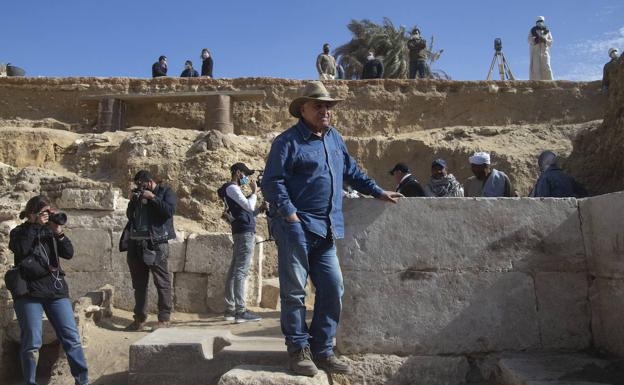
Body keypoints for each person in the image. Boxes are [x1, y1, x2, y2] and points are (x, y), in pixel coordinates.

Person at [261, 81, 402, 376]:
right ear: (303, 109)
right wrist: (290, 215)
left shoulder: (334, 138)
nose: (325, 110)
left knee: (332, 288)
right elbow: (272, 182)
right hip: (296, 228)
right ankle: (298, 351)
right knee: (294, 292)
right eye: (319, 105)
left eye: (328, 106)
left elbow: (351, 172)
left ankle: (322, 349)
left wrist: (377, 192)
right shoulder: (287, 141)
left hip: (326, 230)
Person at [9, 195, 90, 385]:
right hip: (29, 293)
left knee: (71, 338)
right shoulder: (19, 231)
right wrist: (36, 225)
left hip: (55, 291)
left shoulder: (50, 231)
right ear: (31, 214)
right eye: (43, 212)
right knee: (32, 344)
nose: (47, 216)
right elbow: (21, 249)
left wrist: (59, 232)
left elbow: (69, 253)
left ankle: (83, 381)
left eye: (49, 212)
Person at [124, 170, 176, 331]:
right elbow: (129, 215)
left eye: (142, 183)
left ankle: (164, 319)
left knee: (162, 282)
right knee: (139, 284)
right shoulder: (138, 195)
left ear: (149, 181)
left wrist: (152, 197)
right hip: (136, 244)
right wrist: (134, 200)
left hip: (156, 243)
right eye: (137, 184)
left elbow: (169, 212)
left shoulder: (166, 192)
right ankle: (139, 319)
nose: (140, 186)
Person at [217, 163, 266, 323]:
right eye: (245, 174)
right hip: (244, 233)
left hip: (241, 230)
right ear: (238, 173)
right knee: (241, 271)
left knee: (234, 270)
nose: (247, 178)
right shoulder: (232, 188)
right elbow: (248, 205)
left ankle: (230, 309)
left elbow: (248, 212)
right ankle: (241, 311)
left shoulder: (232, 190)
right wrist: (254, 192)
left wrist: (260, 208)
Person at [528, 16, 553, 80]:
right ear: (536, 22)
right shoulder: (532, 31)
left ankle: (549, 83)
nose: (540, 23)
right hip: (535, 53)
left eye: (541, 21)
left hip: (544, 52)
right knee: (536, 69)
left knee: (547, 67)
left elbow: (551, 42)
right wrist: (536, 40)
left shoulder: (547, 31)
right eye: (538, 22)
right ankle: (537, 84)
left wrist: (545, 40)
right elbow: (529, 40)